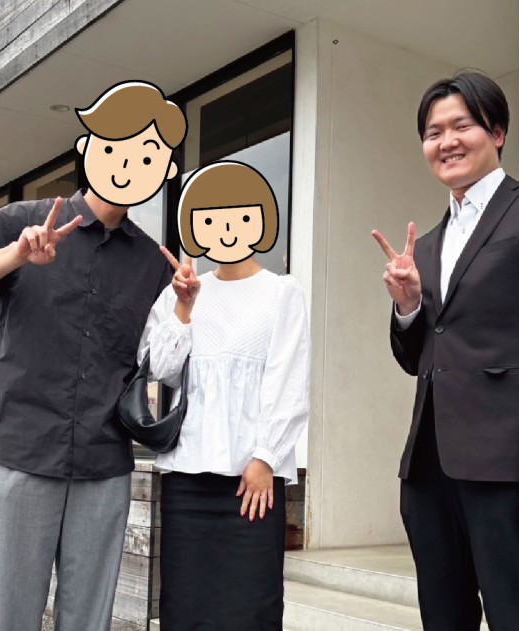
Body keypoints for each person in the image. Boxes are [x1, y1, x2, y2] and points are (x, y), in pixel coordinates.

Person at [0, 81, 186, 631]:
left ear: (163, 170)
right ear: (90, 148)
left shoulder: (152, 263)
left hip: (103, 465)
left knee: (88, 621)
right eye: (116, 147)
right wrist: (14, 256)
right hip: (19, 454)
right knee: (7, 618)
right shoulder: (26, 220)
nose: (128, 165)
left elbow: (164, 362)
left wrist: (186, 309)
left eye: (147, 156)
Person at [372, 71, 519, 630]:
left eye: (461, 126)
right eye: (433, 133)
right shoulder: (427, 245)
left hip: (505, 462)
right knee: (442, 618)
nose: (445, 141)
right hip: (428, 466)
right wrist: (408, 307)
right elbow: (418, 358)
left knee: (512, 615)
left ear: (496, 132)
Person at [140, 160, 310, 630]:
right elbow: (161, 370)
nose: (227, 230)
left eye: (241, 217)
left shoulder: (281, 292)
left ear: (262, 222)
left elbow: (290, 381)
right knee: (185, 607)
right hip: (187, 478)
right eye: (211, 220)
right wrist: (184, 307)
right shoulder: (181, 292)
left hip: (252, 478)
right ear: (195, 230)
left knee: (250, 606)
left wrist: (265, 457)